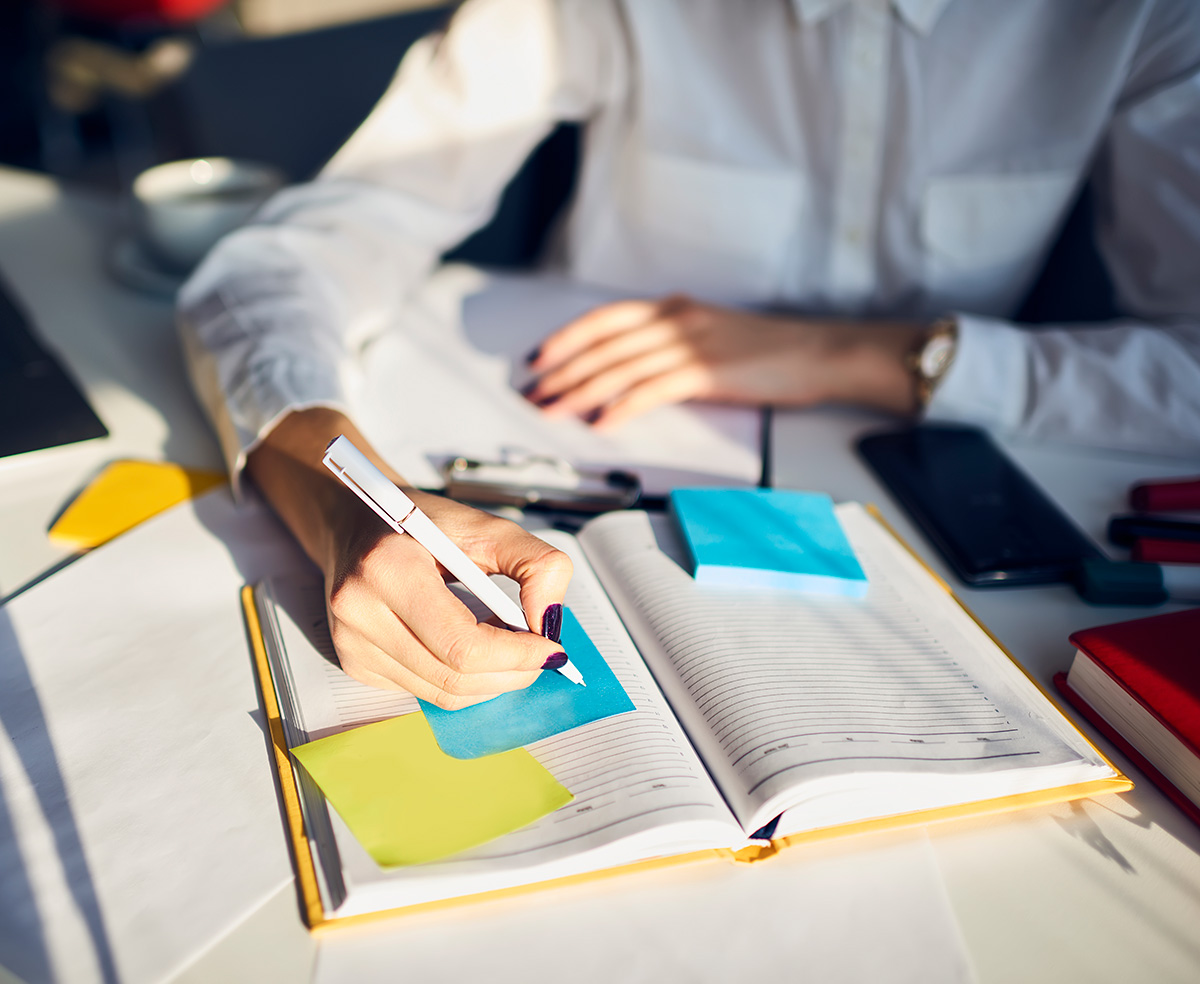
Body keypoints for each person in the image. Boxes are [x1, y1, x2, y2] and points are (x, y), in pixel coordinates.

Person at [178, 0, 1200, 707]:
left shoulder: (1140, 17)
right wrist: (345, 502)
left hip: (943, 563)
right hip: (579, 470)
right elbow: (279, 266)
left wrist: (882, 357)